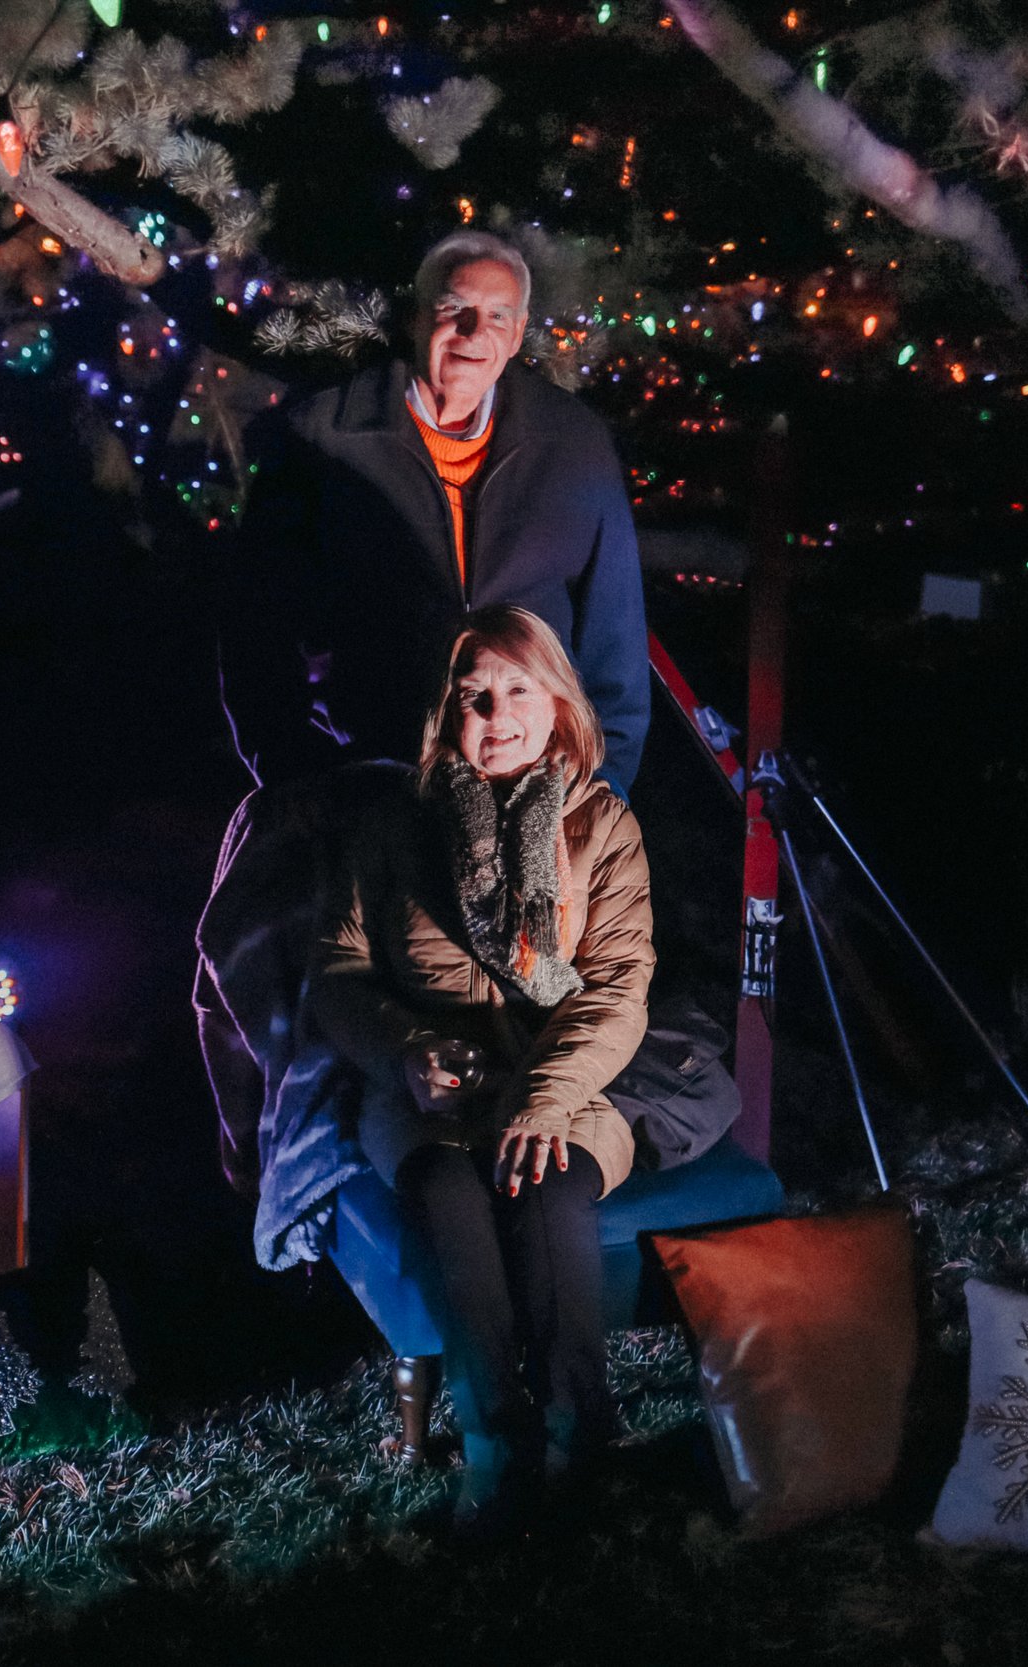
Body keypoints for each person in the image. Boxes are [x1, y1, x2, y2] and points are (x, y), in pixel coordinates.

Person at [308, 606, 652, 1528]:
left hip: (557, 1079)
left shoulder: (602, 826)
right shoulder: (391, 825)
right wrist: (405, 1051)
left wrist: (543, 1099)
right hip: (430, 1087)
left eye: (518, 690)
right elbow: (337, 973)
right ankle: (498, 1444)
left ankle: (581, 1438)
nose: (497, 716)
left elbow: (618, 989)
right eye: (475, 696)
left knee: (548, 1185)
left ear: (558, 703)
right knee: (447, 1189)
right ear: (445, 712)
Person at [221, 230, 649, 797]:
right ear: (416, 318)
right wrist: (295, 778)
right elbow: (257, 628)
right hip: (378, 783)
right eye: (455, 309)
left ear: (518, 334)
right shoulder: (323, 436)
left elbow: (615, 642)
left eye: (498, 316)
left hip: (538, 793)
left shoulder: (573, 444)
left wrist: (600, 789)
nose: (475, 332)